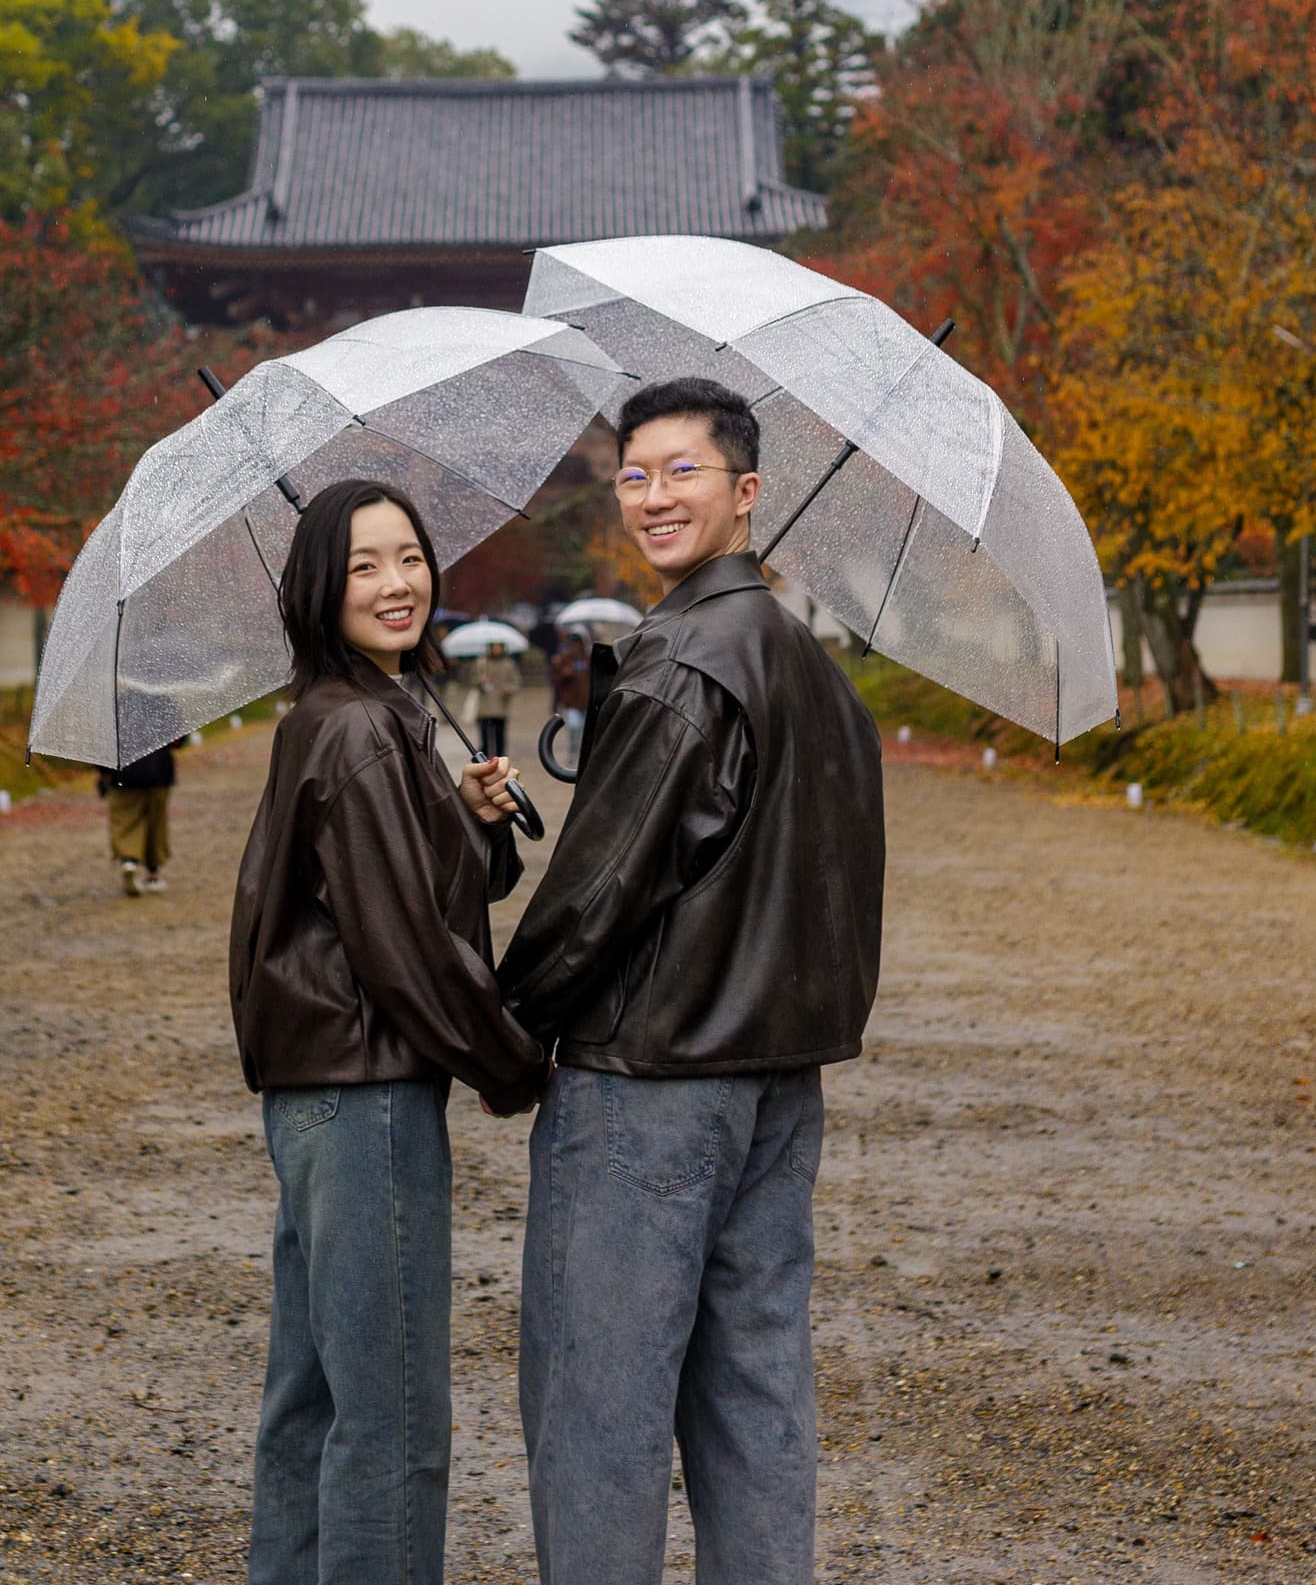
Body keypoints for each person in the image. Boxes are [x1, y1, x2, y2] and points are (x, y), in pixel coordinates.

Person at [496, 376, 886, 1585]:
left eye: (684, 472)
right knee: (754, 1392)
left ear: (749, 491)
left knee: (599, 1406)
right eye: (636, 473)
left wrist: (504, 1025)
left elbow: (594, 898)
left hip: (649, 1081)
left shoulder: (681, 663)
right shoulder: (814, 672)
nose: (655, 496)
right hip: (777, 1083)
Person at [226, 477, 548, 1585]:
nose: (397, 581)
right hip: (365, 1101)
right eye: (364, 565)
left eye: (408, 555)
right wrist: (521, 1067)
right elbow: (406, 949)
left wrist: (467, 819)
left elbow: (399, 894)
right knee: (395, 1420)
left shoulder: (348, 714)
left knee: (315, 1400)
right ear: (322, 587)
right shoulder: (362, 728)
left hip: (318, 1096)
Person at [97, 733, 183, 895]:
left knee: (125, 819)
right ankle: (153, 873)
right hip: (159, 770)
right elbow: (177, 738)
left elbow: (102, 741)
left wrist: (103, 772)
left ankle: (129, 861)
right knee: (156, 822)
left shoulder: (112, 708)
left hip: (123, 771)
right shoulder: (161, 706)